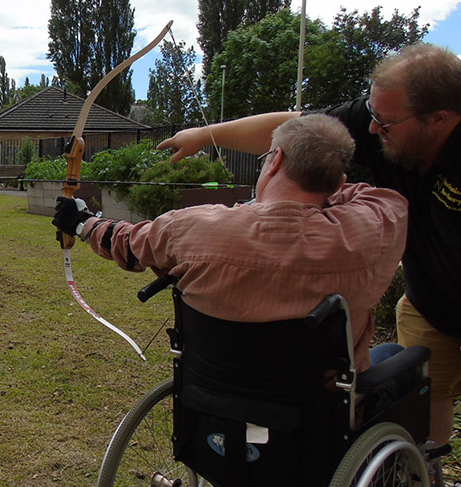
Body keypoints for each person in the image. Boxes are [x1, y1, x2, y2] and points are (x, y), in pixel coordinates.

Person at [157, 44, 461, 446]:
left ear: (439, 119)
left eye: (384, 123)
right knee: (431, 398)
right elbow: (299, 128)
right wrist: (207, 135)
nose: (371, 129)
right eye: (371, 114)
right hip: (430, 304)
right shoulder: (381, 122)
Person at [54, 114, 407, 374]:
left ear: (276, 160)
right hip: (320, 420)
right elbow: (367, 195)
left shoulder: (193, 226)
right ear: (338, 182)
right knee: (394, 355)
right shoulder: (374, 224)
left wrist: (83, 222)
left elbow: (127, 243)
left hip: (216, 409)